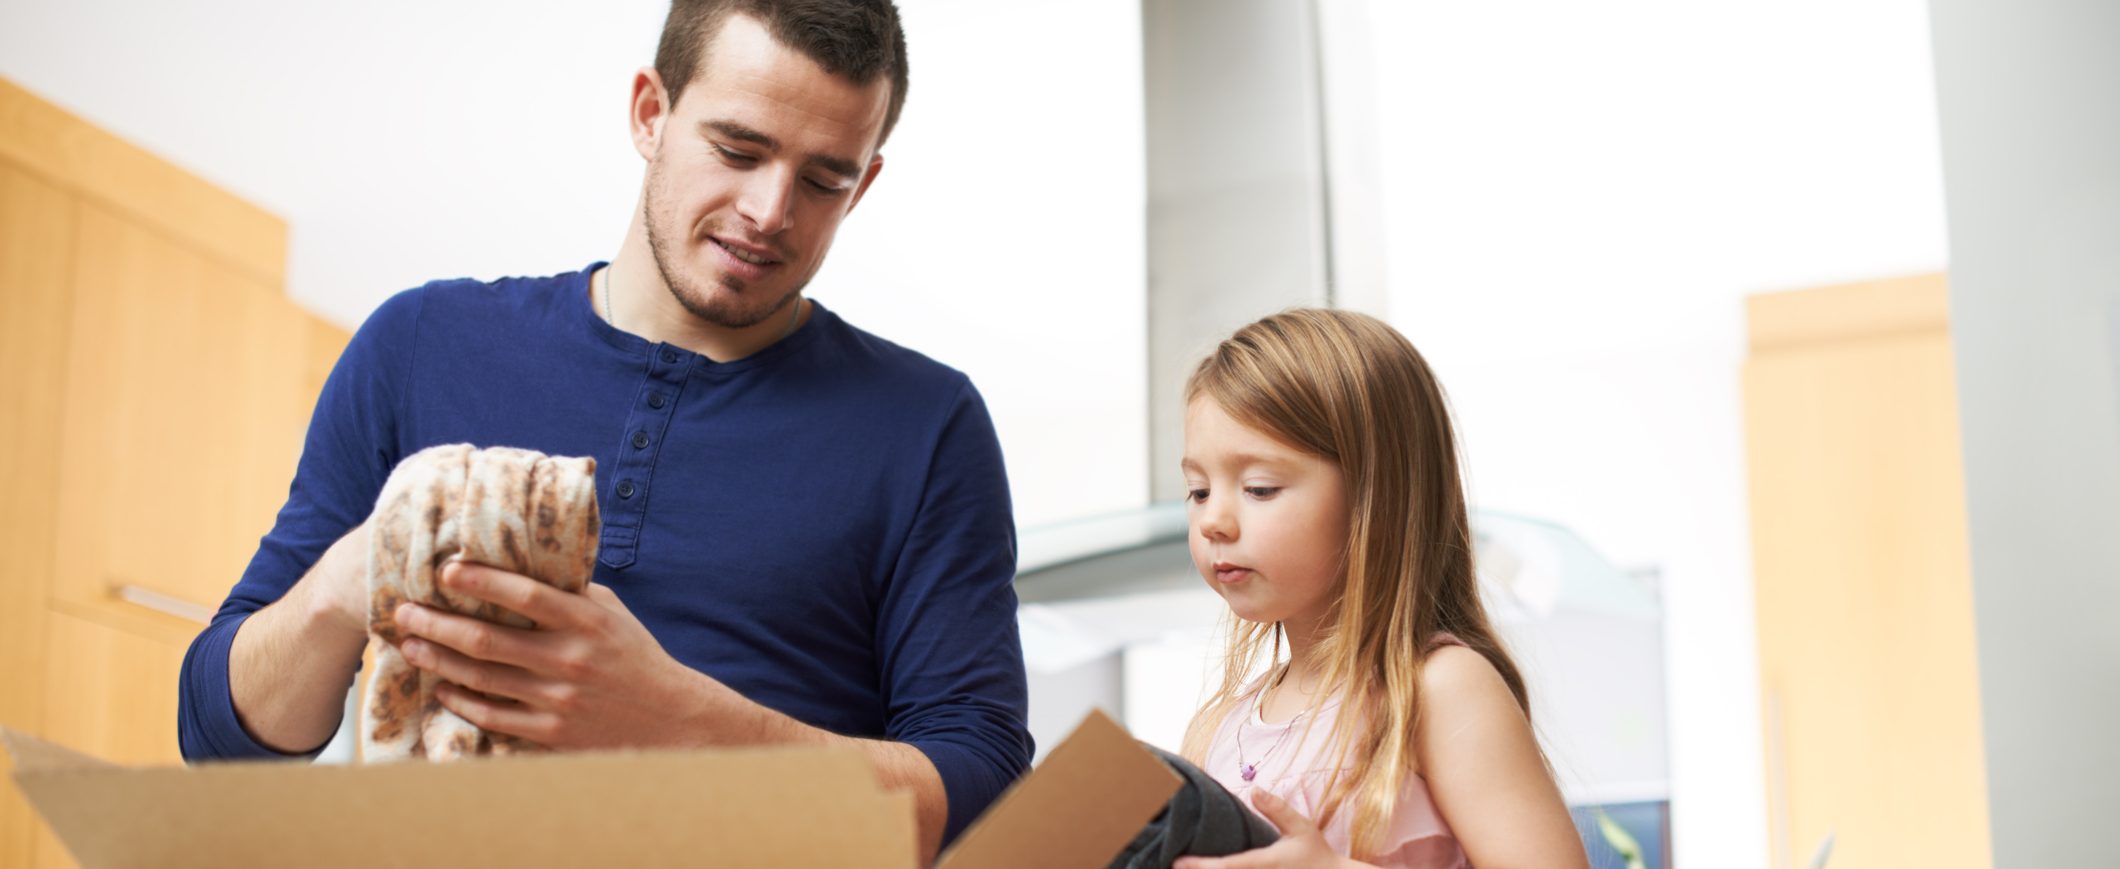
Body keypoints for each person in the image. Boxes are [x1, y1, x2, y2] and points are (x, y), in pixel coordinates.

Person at [175, 1, 1030, 859]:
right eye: (738, 150)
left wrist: (679, 720)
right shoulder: (420, 343)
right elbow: (221, 737)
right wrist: (351, 577)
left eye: (824, 180)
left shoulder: (927, 427)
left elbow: (984, 796)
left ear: (866, 182)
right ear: (650, 114)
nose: (771, 211)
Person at [1168, 310, 1587, 868]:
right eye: (1198, 491)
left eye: (1259, 488)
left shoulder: (1437, 689)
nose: (1213, 520)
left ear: (1377, 499)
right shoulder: (1213, 732)